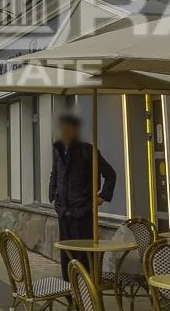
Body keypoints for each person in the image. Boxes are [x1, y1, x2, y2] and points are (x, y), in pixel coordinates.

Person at [49, 113, 116, 281]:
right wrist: (53, 195)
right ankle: (70, 292)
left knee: (84, 257)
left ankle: (87, 294)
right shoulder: (58, 150)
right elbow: (55, 174)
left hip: (83, 213)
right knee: (67, 257)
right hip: (64, 213)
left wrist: (102, 196)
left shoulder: (88, 151)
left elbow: (110, 174)